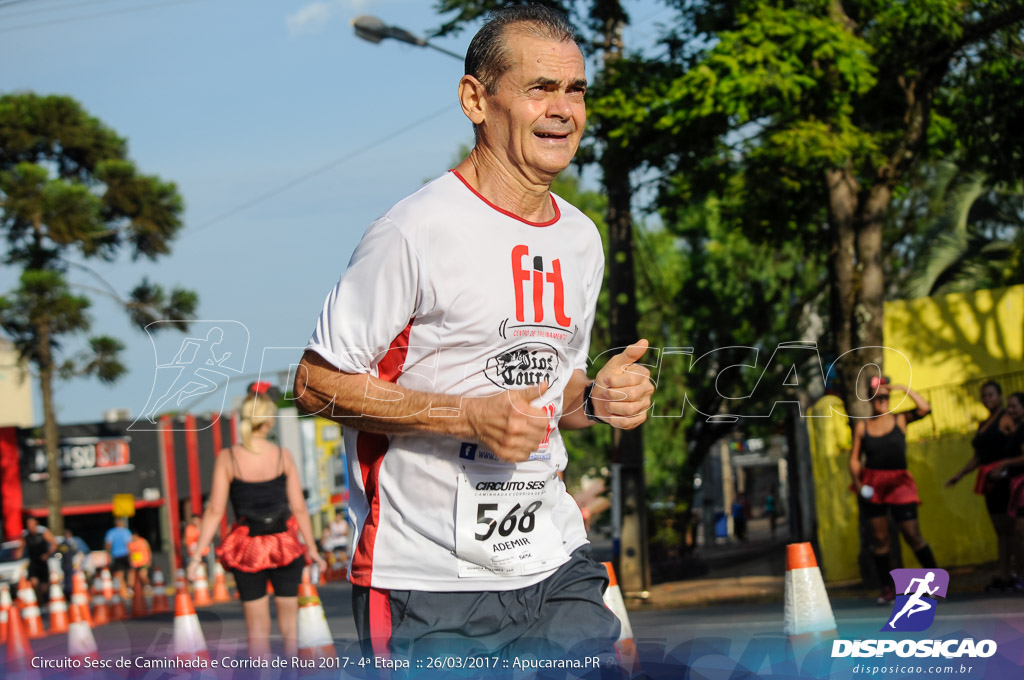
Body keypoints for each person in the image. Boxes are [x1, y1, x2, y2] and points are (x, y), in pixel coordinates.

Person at [294, 4, 654, 664]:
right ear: (475, 100)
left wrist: (598, 401)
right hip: (428, 581)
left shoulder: (580, 239)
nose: (564, 109)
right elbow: (315, 385)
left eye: (576, 90)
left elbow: (553, 399)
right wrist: (465, 417)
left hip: (551, 560)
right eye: (540, 88)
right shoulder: (416, 230)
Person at [188, 385, 326, 659]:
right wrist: (311, 548)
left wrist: (196, 555)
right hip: (284, 544)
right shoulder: (282, 456)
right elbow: (298, 507)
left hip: (246, 549)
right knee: (290, 626)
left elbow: (215, 510)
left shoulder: (228, 458)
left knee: (257, 629)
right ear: (268, 419)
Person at [849, 378, 935, 604]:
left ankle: (934, 583)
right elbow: (855, 460)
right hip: (873, 484)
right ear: (869, 398)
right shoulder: (863, 426)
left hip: (900, 483)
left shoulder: (900, 419)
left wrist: (904, 389)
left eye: (885, 396)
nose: (882, 401)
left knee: (912, 534)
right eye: (877, 396)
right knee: (880, 538)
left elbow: (925, 409)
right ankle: (887, 588)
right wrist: (859, 486)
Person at [945, 380, 1018, 591]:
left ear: (1000, 396)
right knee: (1000, 530)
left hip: (1005, 479)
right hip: (989, 482)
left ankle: (1017, 573)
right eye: (984, 396)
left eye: (991, 395)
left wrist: (1006, 467)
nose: (988, 399)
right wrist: (959, 475)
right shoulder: (983, 424)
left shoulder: (1007, 419)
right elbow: (978, 457)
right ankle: (1005, 575)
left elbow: (1016, 446)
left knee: (1013, 529)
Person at [984, 392, 1024, 591]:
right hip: (1015, 483)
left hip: (1021, 484)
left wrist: (1005, 462)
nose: (1010, 410)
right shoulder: (1017, 429)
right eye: (1009, 407)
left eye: (1014, 406)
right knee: (1016, 532)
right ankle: (1015, 575)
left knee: (1019, 531)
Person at [18, 517, 57, 600]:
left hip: (43, 562)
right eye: (28, 524)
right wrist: (18, 556)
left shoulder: (43, 532)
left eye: (32, 523)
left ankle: (46, 599)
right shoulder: (25, 534)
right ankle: (39, 601)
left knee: (44, 585)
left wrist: (47, 554)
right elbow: (21, 548)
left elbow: (54, 543)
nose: (30, 526)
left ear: (36, 523)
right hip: (33, 562)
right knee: (34, 582)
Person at [104, 517, 133, 588]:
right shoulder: (126, 531)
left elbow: (108, 544)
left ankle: (121, 588)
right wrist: (131, 554)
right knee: (130, 570)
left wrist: (108, 554)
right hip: (125, 554)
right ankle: (129, 586)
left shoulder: (111, 532)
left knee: (119, 572)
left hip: (116, 555)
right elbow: (128, 544)